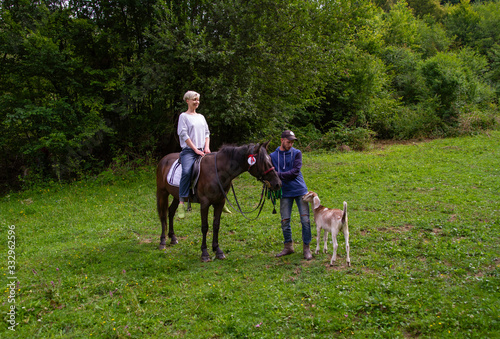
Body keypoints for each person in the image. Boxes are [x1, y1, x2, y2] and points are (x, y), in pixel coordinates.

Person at [270, 130, 312, 260]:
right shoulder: (272, 156)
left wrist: (277, 175)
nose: (291, 144)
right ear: (282, 140)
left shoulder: (297, 153)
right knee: (285, 220)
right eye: (289, 142)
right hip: (285, 192)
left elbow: (295, 172)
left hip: (300, 190)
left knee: (305, 220)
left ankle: (306, 247)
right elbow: (270, 172)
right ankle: (288, 246)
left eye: (292, 142)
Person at [177, 91, 210, 218]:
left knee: (216, 169)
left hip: (203, 150)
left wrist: (206, 147)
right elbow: (184, 135)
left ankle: (220, 200)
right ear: (187, 101)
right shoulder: (183, 116)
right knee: (186, 171)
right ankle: (181, 202)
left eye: (197, 100)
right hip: (189, 151)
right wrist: (195, 149)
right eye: (194, 100)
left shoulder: (201, 117)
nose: (196, 102)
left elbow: (207, 133)